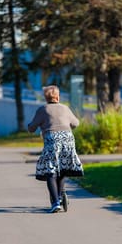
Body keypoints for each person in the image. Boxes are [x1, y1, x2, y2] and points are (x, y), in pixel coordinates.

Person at [28, 85, 84, 213]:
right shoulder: (65, 108)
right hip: (68, 138)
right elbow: (76, 123)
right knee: (62, 167)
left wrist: (31, 126)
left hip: (52, 139)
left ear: (46, 97)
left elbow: (32, 127)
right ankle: (59, 195)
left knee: (50, 170)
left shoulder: (43, 110)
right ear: (58, 97)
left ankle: (55, 202)